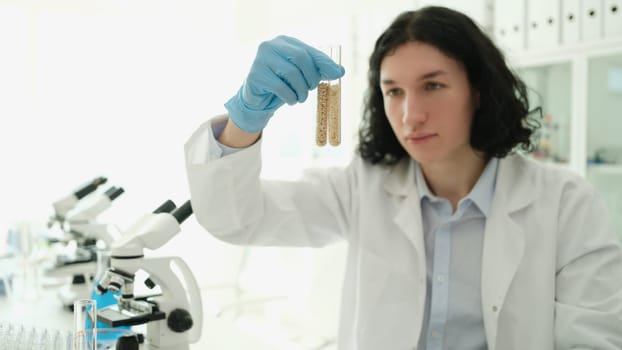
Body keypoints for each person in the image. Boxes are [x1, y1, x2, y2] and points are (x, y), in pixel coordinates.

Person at [184, 6, 622, 350]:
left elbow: (594, 338)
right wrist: (245, 118)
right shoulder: (363, 187)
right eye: (393, 91)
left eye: (432, 85)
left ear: (480, 90)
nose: (410, 114)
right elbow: (236, 219)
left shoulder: (566, 202)